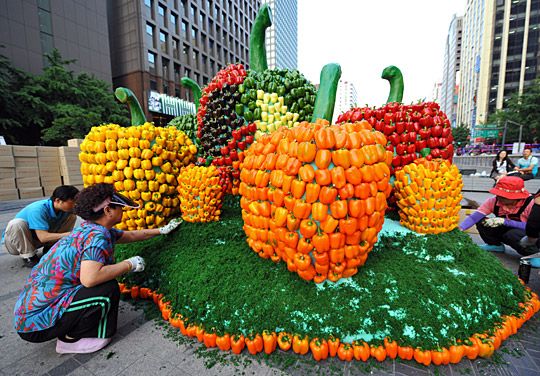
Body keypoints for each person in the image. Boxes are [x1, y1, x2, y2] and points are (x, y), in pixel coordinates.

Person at [13, 183, 182, 354]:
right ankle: (70, 339)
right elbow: (90, 278)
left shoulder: (92, 228)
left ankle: (70, 324)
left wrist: (161, 231)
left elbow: (130, 235)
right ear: (108, 210)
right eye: (120, 207)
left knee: (103, 285)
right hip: (34, 325)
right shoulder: (97, 236)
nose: (123, 211)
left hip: (32, 313)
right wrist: (129, 264)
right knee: (106, 290)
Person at [2, 185, 80, 267]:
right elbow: (43, 237)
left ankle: (50, 248)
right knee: (17, 223)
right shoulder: (38, 209)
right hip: (16, 243)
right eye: (72, 202)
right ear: (58, 200)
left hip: (36, 239)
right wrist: (70, 234)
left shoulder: (66, 211)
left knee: (71, 216)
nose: (75, 205)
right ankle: (29, 256)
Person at [459, 176, 537, 255]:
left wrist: (506, 222)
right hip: (507, 229)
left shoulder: (531, 204)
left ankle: (533, 254)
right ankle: (495, 244)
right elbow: (475, 217)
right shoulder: (494, 201)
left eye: (503, 196)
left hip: (526, 234)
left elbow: (535, 228)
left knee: (512, 234)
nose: (499, 197)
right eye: (498, 194)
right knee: (482, 221)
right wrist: (461, 228)